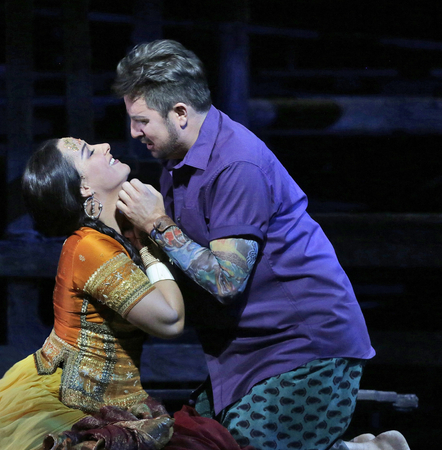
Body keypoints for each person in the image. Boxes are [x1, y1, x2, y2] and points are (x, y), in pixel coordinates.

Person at [113, 39, 410, 450]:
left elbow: (226, 281)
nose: (133, 132)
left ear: (180, 113)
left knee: (234, 447)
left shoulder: (236, 164)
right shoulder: (181, 161)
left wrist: (157, 223)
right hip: (246, 350)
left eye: (142, 120)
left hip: (303, 347)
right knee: (190, 442)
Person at [0, 137, 253, 450]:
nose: (104, 145)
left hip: (117, 401)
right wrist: (150, 241)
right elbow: (171, 320)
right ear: (83, 188)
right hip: (69, 401)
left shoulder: (113, 239)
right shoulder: (89, 247)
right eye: (88, 152)